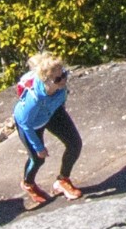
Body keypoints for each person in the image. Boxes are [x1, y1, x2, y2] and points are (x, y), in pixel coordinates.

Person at [9, 51, 86, 209]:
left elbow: (62, 99)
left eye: (64, 74)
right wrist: (39, 147)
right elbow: (25, 123)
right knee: (38, 159)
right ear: (45, 80)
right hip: (32, 123)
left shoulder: (60, 87)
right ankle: (28, 183)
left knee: (74, 144)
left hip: (52, 112)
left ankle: (63, 180)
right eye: (57, 79)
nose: (63, 80)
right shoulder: (33, 99)